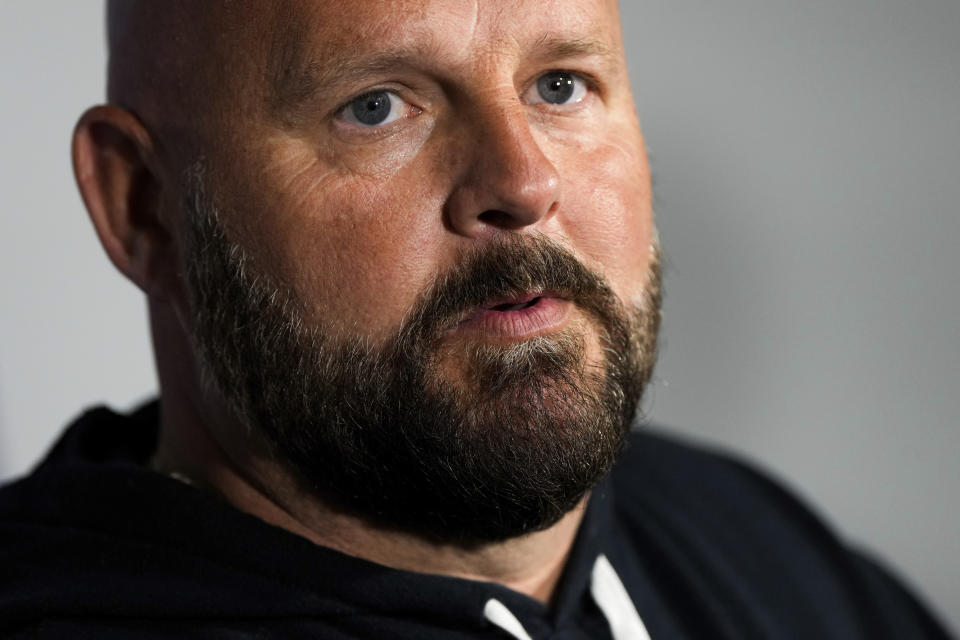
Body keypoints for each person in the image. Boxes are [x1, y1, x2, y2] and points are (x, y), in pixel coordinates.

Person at [0, 1, 952, 638]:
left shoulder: (756, 545)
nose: (524, 182)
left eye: (560, 86)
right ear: (144, 206)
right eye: (377, 107)